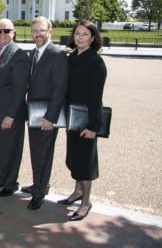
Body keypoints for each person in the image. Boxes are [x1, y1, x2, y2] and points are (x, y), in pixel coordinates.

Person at [58, 19, 107, 221]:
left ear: (93, 38)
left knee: (85, 163)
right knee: (74, 158)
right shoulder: (72, 58)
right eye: (77, 34)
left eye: (85, 34)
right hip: (72, 117)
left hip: (86, 120)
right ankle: (77, 192)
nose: (80, 37)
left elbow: (96, 98)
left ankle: (86, 202)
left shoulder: (95, 62)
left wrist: (93, 127)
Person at [22, 16, 68, 210]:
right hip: (33, 114)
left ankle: (39, 192)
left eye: (41, 30)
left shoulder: (57, 54)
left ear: (50, 32)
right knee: (35, 152)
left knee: (43, 154)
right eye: (34, 31)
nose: (37, 34)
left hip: (47, 116)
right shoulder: (32, 53)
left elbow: (60, 89)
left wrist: (51, 117)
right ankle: (38, 183)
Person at [0, 19, 30, 197]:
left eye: (6, 30)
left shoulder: (18, 54)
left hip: (10, 114)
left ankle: (11, 183)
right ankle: (2, 178)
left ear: (14, 32)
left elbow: (20, 89)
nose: (2, 34)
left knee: (10, 149)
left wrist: (10, 116)